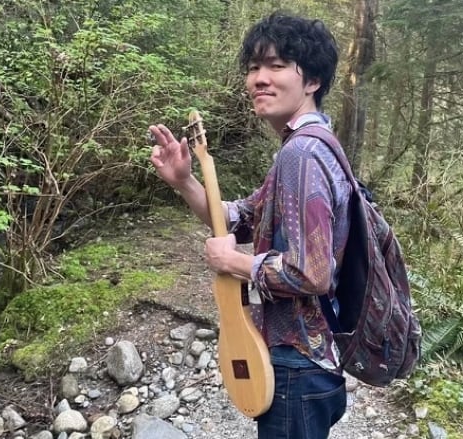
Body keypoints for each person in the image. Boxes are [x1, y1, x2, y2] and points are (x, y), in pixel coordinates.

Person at [148, 11, 350, 439]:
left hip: (297, 366)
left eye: (277, 66)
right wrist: (185, 181)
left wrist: (237, 263)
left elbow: (311, 273)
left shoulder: (303, 155)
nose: (260, 78)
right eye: (255, 67)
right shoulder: (309, 146)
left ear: (311, 80)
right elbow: (238, 218)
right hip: (313, 366)